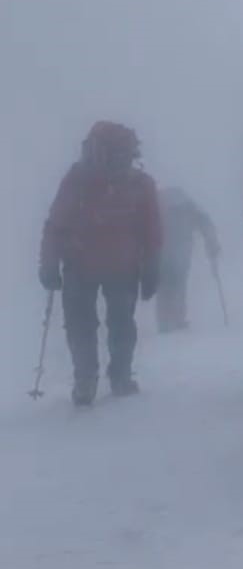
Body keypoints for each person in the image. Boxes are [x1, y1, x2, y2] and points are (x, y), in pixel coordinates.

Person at [39, 121, 162, 406]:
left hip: (89, 264)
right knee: (115, 323)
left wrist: (49, 263)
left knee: (91, 324)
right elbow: (151, 230)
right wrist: (151, 264)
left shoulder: (81, 179)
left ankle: (94, 378)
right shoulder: (133, 183)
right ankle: (106, 377)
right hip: (110, 265)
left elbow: (55, 225)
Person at [155, 187, 220, 333]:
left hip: (164, 251)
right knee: (178, 282)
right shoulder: (189, 207)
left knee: (165, 285)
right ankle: (177, 318)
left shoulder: (159, 207)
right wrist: (212, 244)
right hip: (180, 249)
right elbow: (206, 224)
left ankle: (165, 321)